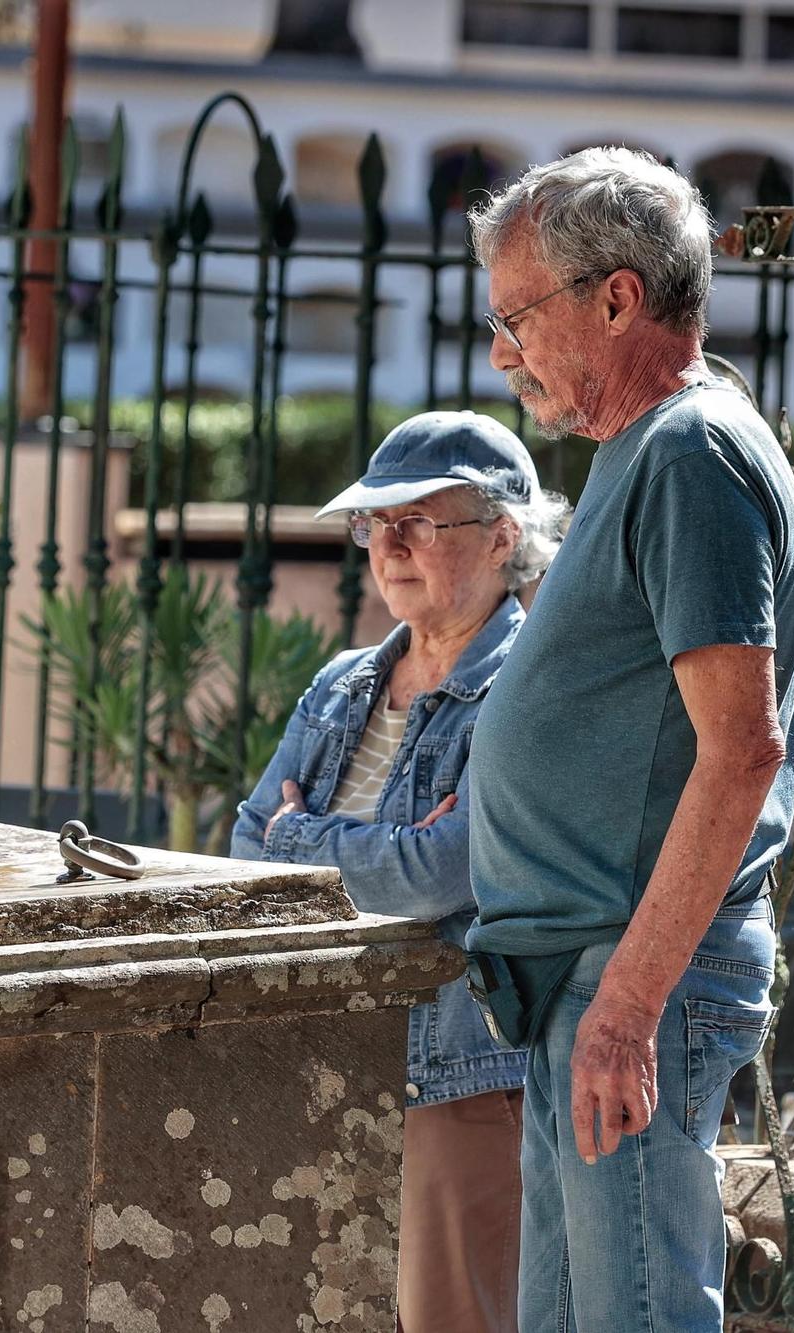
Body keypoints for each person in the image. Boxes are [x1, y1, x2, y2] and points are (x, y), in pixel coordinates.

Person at [462, 147, 794, 1330]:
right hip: (593, 974)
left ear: (614, 298)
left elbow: (742, 748)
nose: (500, 351)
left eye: (516, 316)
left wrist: (623, 1008)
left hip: (628, 981)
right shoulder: (653, 449)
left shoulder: (686, 452)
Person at [232, 411, 570, 1333]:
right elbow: (243, 847)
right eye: (375, 523)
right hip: (322, 1047)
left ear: (504, 535)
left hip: (456, 1072)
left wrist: (307, 837)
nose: (389, 545)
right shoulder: (344, 681)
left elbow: (440, 873)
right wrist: (359, 855)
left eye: (420, 521)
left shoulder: (525, 691)